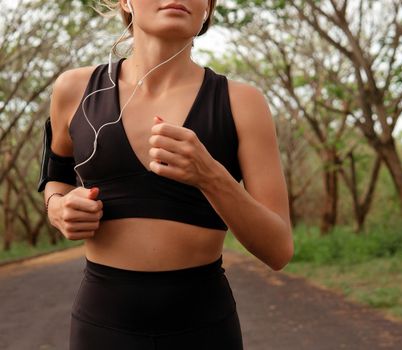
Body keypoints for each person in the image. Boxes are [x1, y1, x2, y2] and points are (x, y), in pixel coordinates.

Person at [37, 0, 294, 348]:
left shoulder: (242, 103)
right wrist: (58, 207)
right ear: (125, 1)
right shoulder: (75, 90)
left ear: (207, 7)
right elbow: (56, 176)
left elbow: (278, 250)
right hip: (102, 324)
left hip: (204, 326)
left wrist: (210, 176)